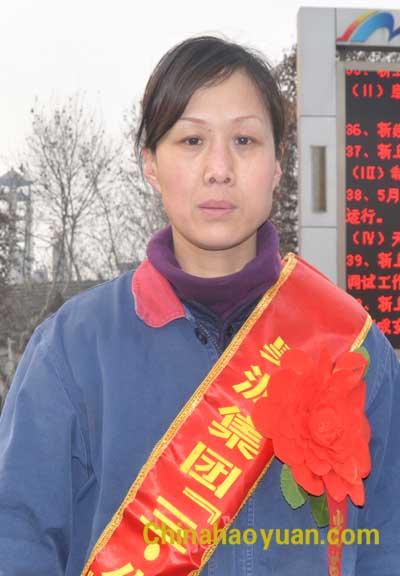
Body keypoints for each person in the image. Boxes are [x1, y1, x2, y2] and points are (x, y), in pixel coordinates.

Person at [0, 35, 399, 576]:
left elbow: (388, 544)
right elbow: (17, 540)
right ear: (150, 164)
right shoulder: (73, 348)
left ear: (277, 165)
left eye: (245, 140)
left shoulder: (351, 344)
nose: (219, 168)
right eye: (191, 140)